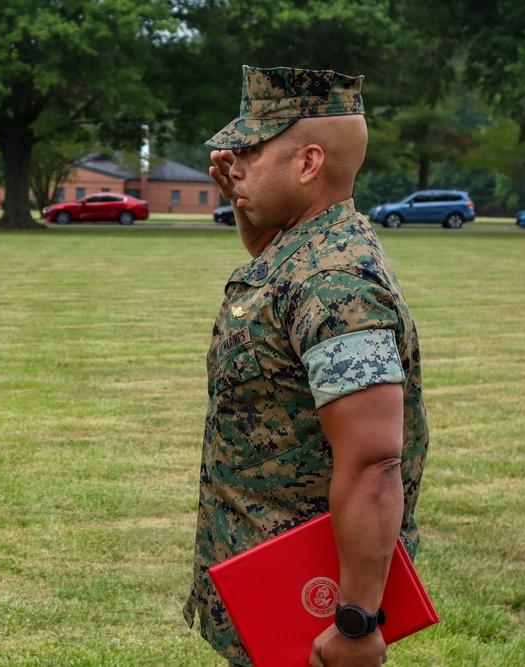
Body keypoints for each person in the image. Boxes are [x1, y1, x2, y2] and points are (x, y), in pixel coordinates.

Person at [183, 66, 429, 667]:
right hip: (269, 590)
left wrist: (355, 622)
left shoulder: (335, 282)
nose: (230, 162)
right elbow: (277, 291)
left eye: (249, 151)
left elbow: (374, 463)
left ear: (308, 163)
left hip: (309, 606)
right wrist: (247, 203)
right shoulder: (307, 248)